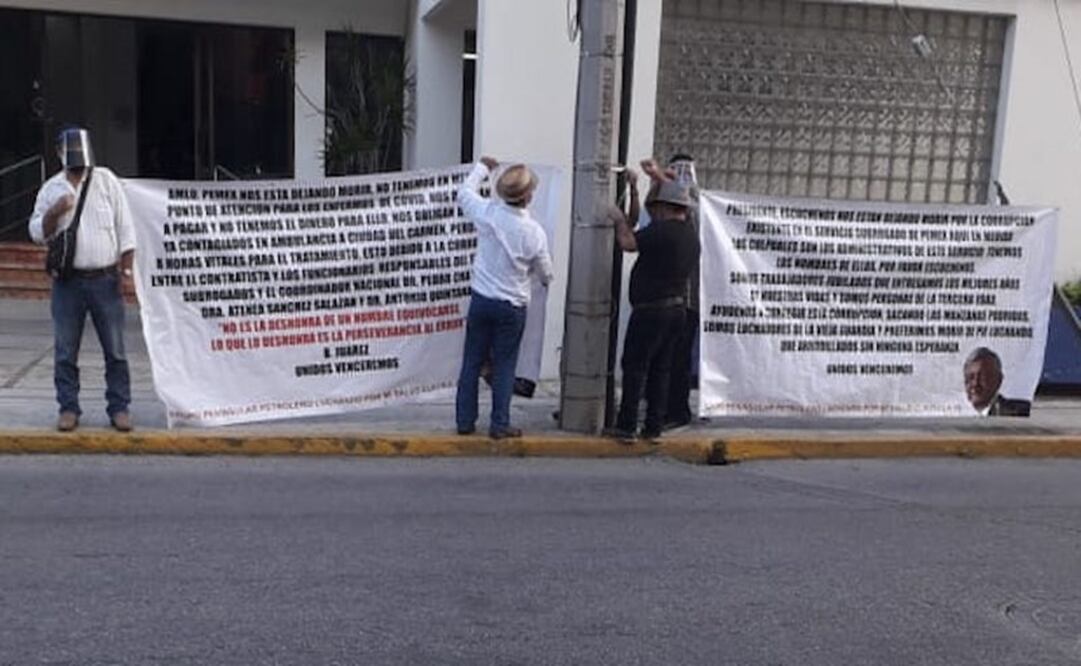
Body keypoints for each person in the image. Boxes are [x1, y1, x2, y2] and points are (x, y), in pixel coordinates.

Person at [28, 127, 137, 432]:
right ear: (60, 154)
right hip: (68, 283)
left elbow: (125, 227)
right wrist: (56, 211)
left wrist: (126, 272)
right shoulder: (51, 188)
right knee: (65, 350)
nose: (79, 167)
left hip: (105, 279)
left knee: (115, 350)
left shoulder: (105, 181)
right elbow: (36, 232)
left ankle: (119, 407)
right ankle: (68, 408)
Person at [455, 156, 554, 438]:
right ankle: (499, 424)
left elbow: (464, 193)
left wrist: (482, 167)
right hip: (512, 306)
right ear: (528, 197)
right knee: (505, 365)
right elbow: (546, 273)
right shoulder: (534, 232)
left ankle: (465, 421)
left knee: (472, 361)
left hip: (482, 300)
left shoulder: (488, 214)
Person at [606, 166, 700, 440]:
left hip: (651, 309)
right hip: (677, 309)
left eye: (657, 208)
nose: (654, 212)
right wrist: (636, 187)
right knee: (661, 368)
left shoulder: (663, 231)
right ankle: (653, 426)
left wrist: (618, 219)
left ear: (665, 207)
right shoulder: (689, 235)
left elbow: (627, 242)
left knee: (635, 366)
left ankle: (626, 426)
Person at [963, 347, 1031, 417]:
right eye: (970, 377)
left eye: (982, 377)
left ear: (999, 380)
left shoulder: (1019, 412)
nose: (975, 383)